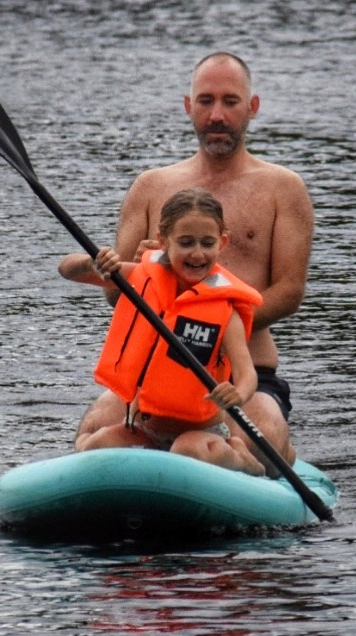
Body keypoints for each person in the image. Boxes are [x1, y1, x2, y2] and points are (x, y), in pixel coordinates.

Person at [59, 51, 314, 463]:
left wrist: (208, 328)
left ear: (252, 107)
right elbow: (113, 292)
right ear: (188, 107)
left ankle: (266, 461)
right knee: (92, 430)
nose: (217, 115)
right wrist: (143, 274)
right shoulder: (149, 186)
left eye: (230, 102)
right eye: (205, 101)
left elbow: (289, 291)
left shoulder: (283, 188)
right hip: (152, 373)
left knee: (262, 436)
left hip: (245, 374)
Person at [60, 188, 265, 476]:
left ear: (223, 242)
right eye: (185, 242)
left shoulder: (224, 310)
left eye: (207, 243)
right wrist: (92, 263)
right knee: (98, 444)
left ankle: (241, 457)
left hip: (199, 434)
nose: (197, 253)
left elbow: (247, 374)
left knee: (186, 451)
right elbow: (68, 270)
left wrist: (239, 393)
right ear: (163, 242)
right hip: (145, 426)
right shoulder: (139, 279)